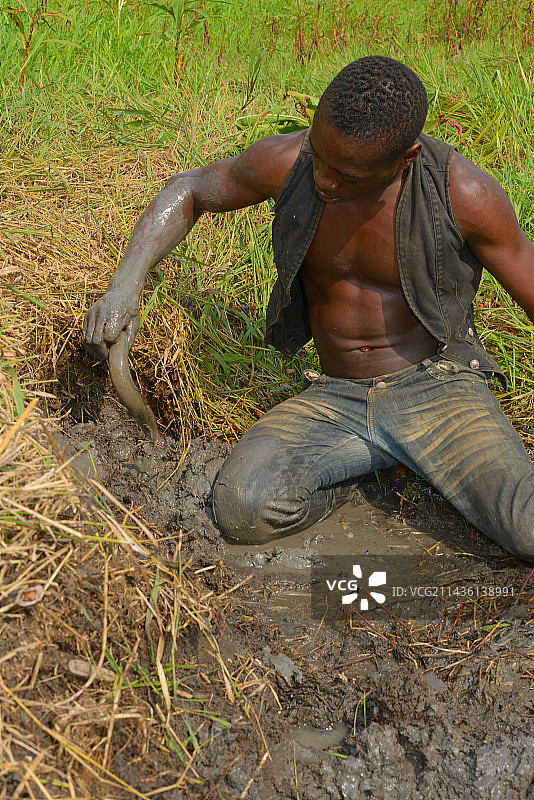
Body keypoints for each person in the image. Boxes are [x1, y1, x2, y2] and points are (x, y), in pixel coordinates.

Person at [83, 56, 534, 560]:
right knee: (242, 508)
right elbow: (189, 190)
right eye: (319, 155)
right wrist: (125, 284)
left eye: (345, 173)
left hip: (436, 391)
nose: (324, 179)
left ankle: (415, 457)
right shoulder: (290, 160)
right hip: (336, 399)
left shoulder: (463, 194)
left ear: (403, 159)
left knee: (528, 530)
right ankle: (369, 472)